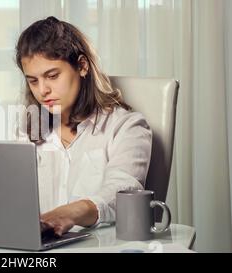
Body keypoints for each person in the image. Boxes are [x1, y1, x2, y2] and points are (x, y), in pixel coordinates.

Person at [15, 16, 152, 236]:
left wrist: (71, 213)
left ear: (82, 66)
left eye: (52, 76)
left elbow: (123, 192)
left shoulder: (127, 126)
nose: (42, 90)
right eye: (33, 81)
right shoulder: (28, 130)